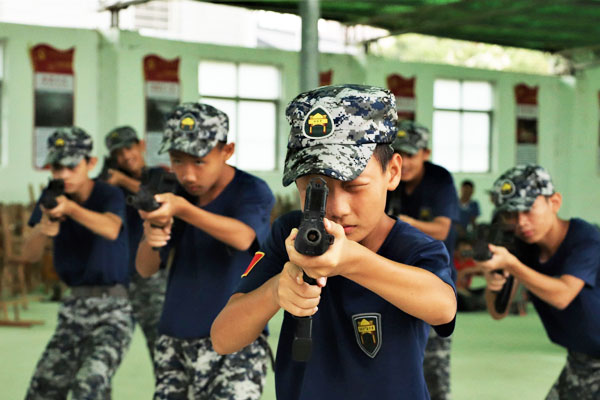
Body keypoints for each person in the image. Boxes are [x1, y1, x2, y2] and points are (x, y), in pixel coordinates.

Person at [211, 84, 457, 399]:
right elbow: (223, 337)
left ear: (392, 172)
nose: (337, 208)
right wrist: (277, 290)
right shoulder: (290, 233)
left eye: (355, 186)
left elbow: (443, 307)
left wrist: (354, 261)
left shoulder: (411, 246)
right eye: (316, 190)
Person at [135, 102, 275, 399]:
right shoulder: (173, 194)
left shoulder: (251, 190)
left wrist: (183, 210)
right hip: (175, 339)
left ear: (227, 151)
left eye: (199, 162)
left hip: (238, 343)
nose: (187, 175)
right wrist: (152, 236)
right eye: (177, 160)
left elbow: (242, 237)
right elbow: (145, 268)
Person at [23, 127, 133, 399]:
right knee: (42, 389)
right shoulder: (52, 196)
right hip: (73, 309)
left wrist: (70, 209)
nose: (63, 175)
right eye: (57, 167)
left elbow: (110, 229)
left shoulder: (109, 194)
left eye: (72, 166)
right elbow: (28, 254)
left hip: (113, 311)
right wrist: (43, 229)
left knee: (89, 384)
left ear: (91, 163)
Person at [479, 164, 600, 399]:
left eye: (528, 210)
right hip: (580, 361)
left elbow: (562, 295)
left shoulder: (586, 239)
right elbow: (497, 312)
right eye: (512, 214)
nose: (521, 222)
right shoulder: (523, 248)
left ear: (554, 202)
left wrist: (512, 264)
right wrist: (492, 278)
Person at [385, 120, 459, 400]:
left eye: (413, 155)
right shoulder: (390, 181)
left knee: (435, 368)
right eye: (401, 154)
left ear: (425, 153)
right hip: (392, 280)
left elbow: (442, 229)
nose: (406, 163)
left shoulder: (440, 181)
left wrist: (404, 222)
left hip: (431, 282)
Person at [102, 126, 168, 365]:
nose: (125, 156)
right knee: (104, 350)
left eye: (129, 148)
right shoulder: (109, 185)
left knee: (160, 347)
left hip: (151, 278)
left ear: (141, 145)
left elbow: (157, 200)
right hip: (115, 280)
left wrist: (123, 181)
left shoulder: (158, 175)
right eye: (118, 153)